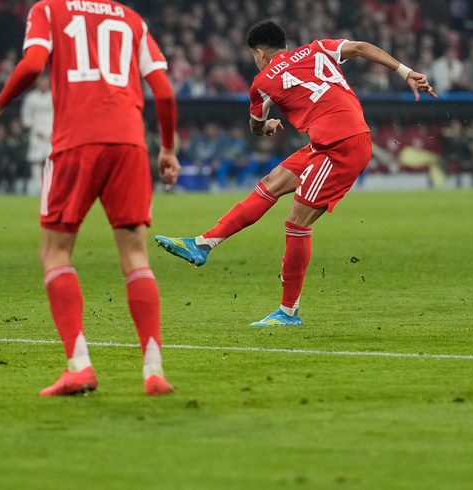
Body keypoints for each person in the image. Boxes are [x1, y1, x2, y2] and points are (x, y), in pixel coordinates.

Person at [0, 0, 181, 396]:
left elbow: (32, 64)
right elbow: (164, 93)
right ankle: (153, 369)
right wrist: (166, 150)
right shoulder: (132, 19)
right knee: (135, 256)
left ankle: (80, 365)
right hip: (129, 143)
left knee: (55, 253)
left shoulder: (49, 9)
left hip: (76, 142)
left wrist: (0, 104)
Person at [156, 19, 435, 326]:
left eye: (254, 57)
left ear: (260, 53)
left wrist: (267, 125)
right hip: (337, 138)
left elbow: (255, 126)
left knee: (296, 222)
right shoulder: (316, 49)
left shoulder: (262, 82)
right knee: (271, 182)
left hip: (339, 146)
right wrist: (407, 72)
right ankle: (204, 243)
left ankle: (289, 312)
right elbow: (361, 47)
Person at [20, 74, 53, 196]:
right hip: (36, 134)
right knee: (35, 160)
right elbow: (26, 117)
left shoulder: (55, 96)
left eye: (45, 81)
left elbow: (61, 114)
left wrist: (55, 131)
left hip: (52, 134)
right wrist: (34, 129)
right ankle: (37, 187)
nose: (43, 83)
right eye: (41, 81)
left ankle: (51, 186)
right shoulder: (31, 98)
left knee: (51, 161)